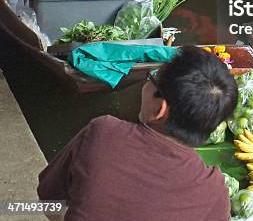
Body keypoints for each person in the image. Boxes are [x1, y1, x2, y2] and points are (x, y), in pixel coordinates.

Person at [37, 46, 237, 221]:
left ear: (160, 109)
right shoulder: (214, 190)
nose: (147, 83)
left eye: (152, 78)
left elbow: (48, 201)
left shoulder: (102, 133)